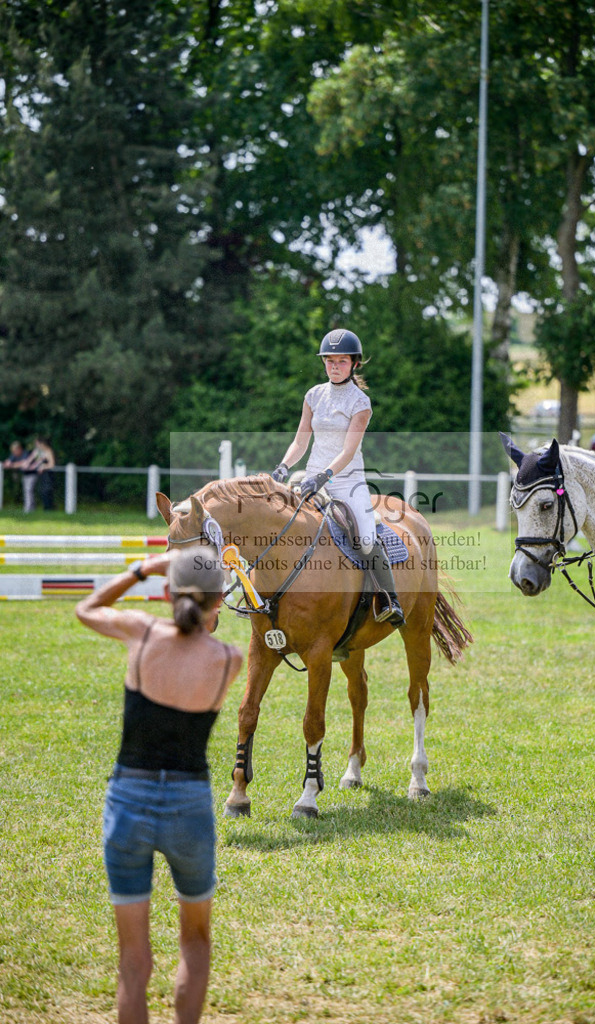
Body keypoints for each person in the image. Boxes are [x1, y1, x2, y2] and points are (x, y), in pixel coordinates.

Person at [75, 550, 243, 1024]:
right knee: (195, 942)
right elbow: (202, 630)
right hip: (189, 805)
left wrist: (140, 569)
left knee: (133, 962)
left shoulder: (142, 632)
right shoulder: (230, 659)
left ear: (168, 592)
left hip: (129, 798)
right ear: (217, 603)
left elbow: (85, 609)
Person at [270, 327, 404, 626]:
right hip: (310, 477)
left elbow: (347, 450)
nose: (334, 366)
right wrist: (283, 466)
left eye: (341, 361)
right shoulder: (313, 395)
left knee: (366, 538)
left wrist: (324, 476)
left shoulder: (360, 403)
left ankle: (388, 598)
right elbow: (300, 441)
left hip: (346, 479)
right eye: (329, 360)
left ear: (354, 364)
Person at [2, 440, 27, 506]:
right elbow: (8, 462)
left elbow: (23, 463)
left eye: (15, 451)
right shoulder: (14, 454)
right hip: (21, 474)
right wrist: (8, 463)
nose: (14, 453)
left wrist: (12, 465)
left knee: (28, 491)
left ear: (19, 449)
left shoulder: (25, 453)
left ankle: (29, 509)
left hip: (29, 474)